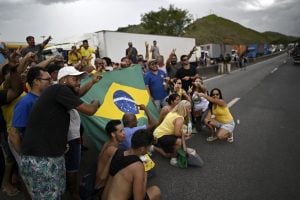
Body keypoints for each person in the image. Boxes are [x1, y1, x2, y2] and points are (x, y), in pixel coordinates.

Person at [19, 66, 101, 199]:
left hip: (51, 155)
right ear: (63, 80)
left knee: (56, 194)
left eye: (79, 79)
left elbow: (78, 93)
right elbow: (90, 110)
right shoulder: (59, 89)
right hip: (41, 158)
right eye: (75, 79)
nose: (78, 82)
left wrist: (91, 82)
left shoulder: (58, 91)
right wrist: (96, 102)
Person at [102, 129, 161, 200]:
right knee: (155, 191)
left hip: (105, 197)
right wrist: (144, 175)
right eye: (149, 147)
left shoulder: (118, 152)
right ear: (142, 149)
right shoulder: (138, 167)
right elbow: (139, 198)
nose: (149, 150)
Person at [153, 100, 192, 166]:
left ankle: (162, 146)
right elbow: (177, 133)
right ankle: (173, 159)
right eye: (189, 109)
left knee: (178, 142)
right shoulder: (180, 118)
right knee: (180, 142)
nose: (190, 110)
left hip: (158, 133)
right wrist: (186, 135)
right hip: (161, 135)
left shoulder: (173, 112)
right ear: (184, 109)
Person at [94, 120, 125, 198]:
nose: (124, 133)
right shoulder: (113, 150)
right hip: (101, 188)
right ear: (113, 134)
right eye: (121, 131)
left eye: (123, 130)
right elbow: (102, 176)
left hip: (97, 184)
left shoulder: (108, 143)